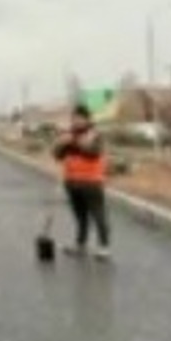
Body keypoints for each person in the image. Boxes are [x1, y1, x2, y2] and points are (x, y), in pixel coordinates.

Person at [53, 104, 111, 258]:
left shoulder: (95, 134)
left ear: (87, 119)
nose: (76, 121)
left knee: (98, 214)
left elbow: (94, 152)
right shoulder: (69, 135)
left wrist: (77, 142)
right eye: (74, 118)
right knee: (80, 216)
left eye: (79, 118)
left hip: (91, 182)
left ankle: (104, 247)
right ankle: (80, 245)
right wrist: (61, 144)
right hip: (72, 181)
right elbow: (58, 155)